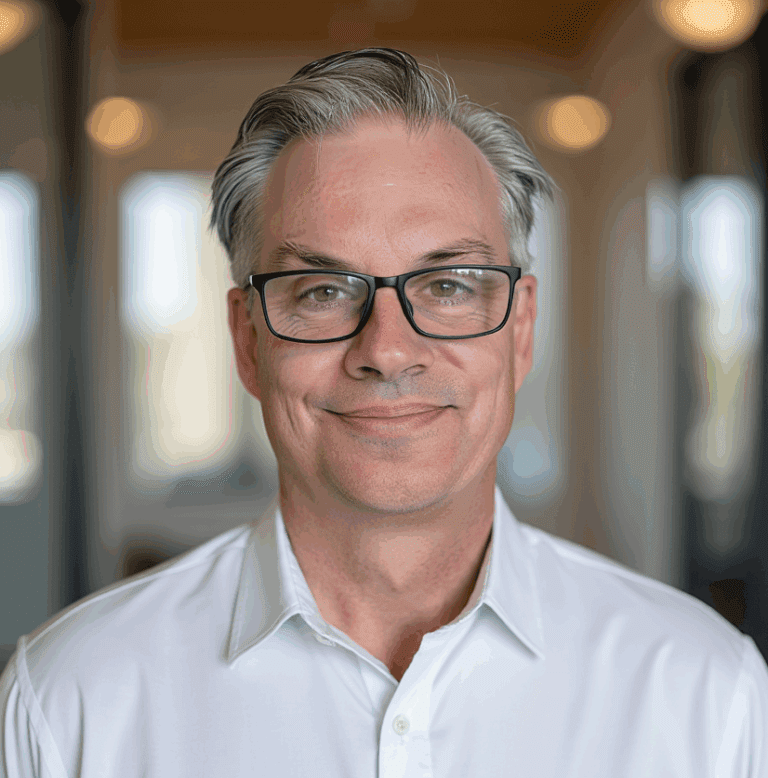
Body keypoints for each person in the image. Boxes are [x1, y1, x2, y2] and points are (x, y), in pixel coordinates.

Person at [1, 47, 766, 777]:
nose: (389, 351)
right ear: (246, 340)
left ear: (522, 329)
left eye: (449, 285)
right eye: (323, 291)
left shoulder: (706, 691)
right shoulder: (70, 700)